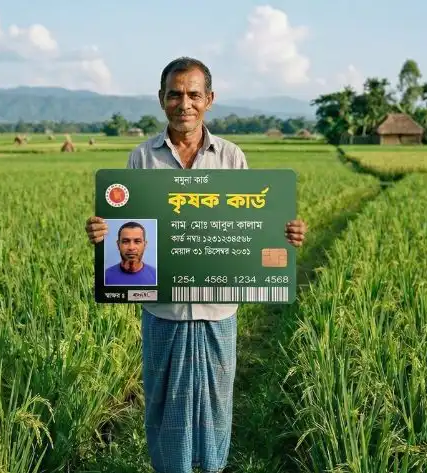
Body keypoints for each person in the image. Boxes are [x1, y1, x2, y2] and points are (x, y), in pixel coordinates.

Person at [85, 57, 308, 473]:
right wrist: (102, 233)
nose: (183, 103)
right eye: (174, 94)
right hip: (162, 311)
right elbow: (128, 230)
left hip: (216, 311)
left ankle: (212, 466)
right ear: (161, 99)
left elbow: (251, 225)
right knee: (162, 402)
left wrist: (285, 235)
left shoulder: (231, 156)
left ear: (209, 99)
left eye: (192, 94)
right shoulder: (142, 158)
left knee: (216, 403)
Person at [105, 221, 157, 285]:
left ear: (145, 245)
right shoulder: (105, 277)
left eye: (137, 241)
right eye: (125, 241)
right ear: (118, 245)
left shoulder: (156, 276)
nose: (131, 247)